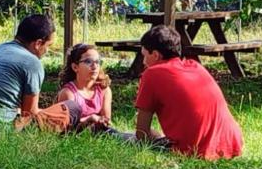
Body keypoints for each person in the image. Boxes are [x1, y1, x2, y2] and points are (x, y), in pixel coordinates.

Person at [134, 24, 243, 160]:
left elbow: (141, 134)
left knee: (119, 136)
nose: (143, 62)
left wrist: (155, 136)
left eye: (144, 55)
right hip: (231, 146)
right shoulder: (196, 66)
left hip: (192, 152)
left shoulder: (152, 73)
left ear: (156, 55)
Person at [0, 14, 80, 132]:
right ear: (38, 44)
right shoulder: (31, 62)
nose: (47, 51)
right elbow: (28, 114)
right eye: (48, 45)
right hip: (1, 129)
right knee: (72, 108)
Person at [56, 43, 112, 131]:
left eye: (97, 62)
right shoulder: (68, 93)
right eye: (88, 61)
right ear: (75, 67)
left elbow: (106, 122)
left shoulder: (104, 90)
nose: (94, 66)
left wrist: (102, 121)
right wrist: (88, 120)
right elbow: (65, 128)